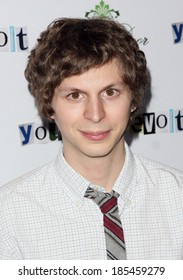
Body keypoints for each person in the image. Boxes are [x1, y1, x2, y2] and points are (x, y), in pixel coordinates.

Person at [0, 17, 183, 260]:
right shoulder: (9, 218)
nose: (95, 114)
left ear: (133, 100)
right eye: (75, 95)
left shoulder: (178, 199)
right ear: (49, 106)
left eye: (110, 92)